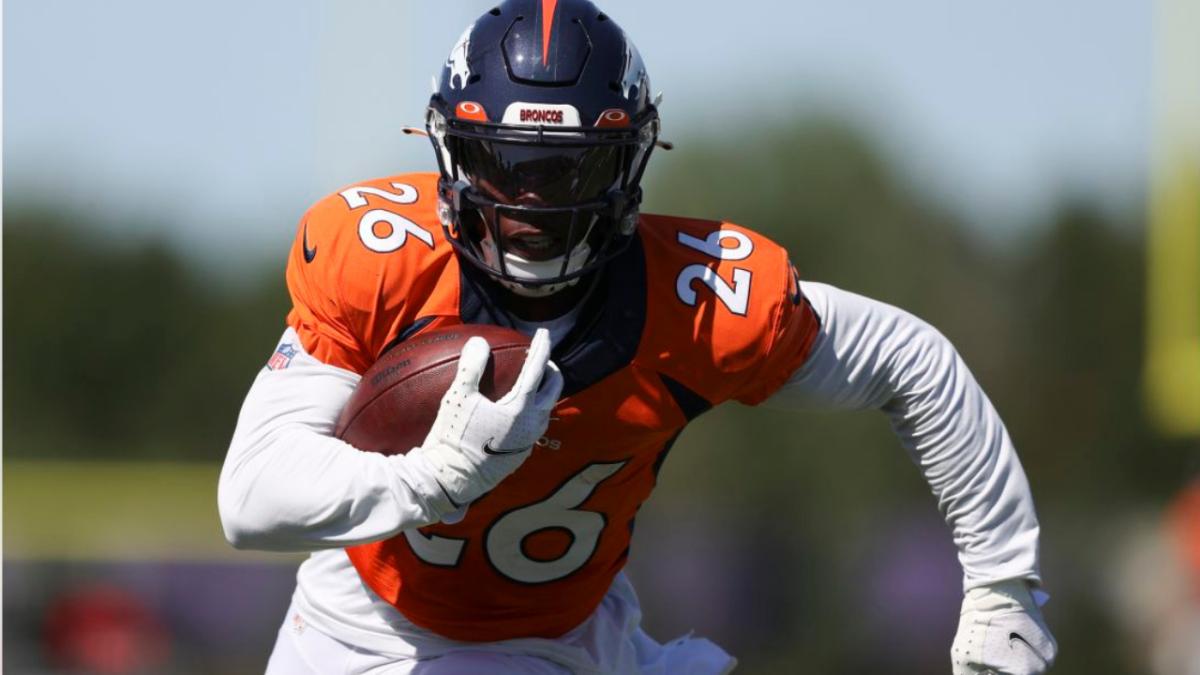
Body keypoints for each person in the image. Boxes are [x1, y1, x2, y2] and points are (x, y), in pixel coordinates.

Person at [217, 1, 1058, 673]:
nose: (529, 206)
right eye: (503, 164)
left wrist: (1002, 585)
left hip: (571, 635)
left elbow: (911, 363)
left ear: (627, 165)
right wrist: (430, 475)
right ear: (453, 153)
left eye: (565, 171)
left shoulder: (699, 300)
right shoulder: (383, 265)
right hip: (366, 625)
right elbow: (251, 496)